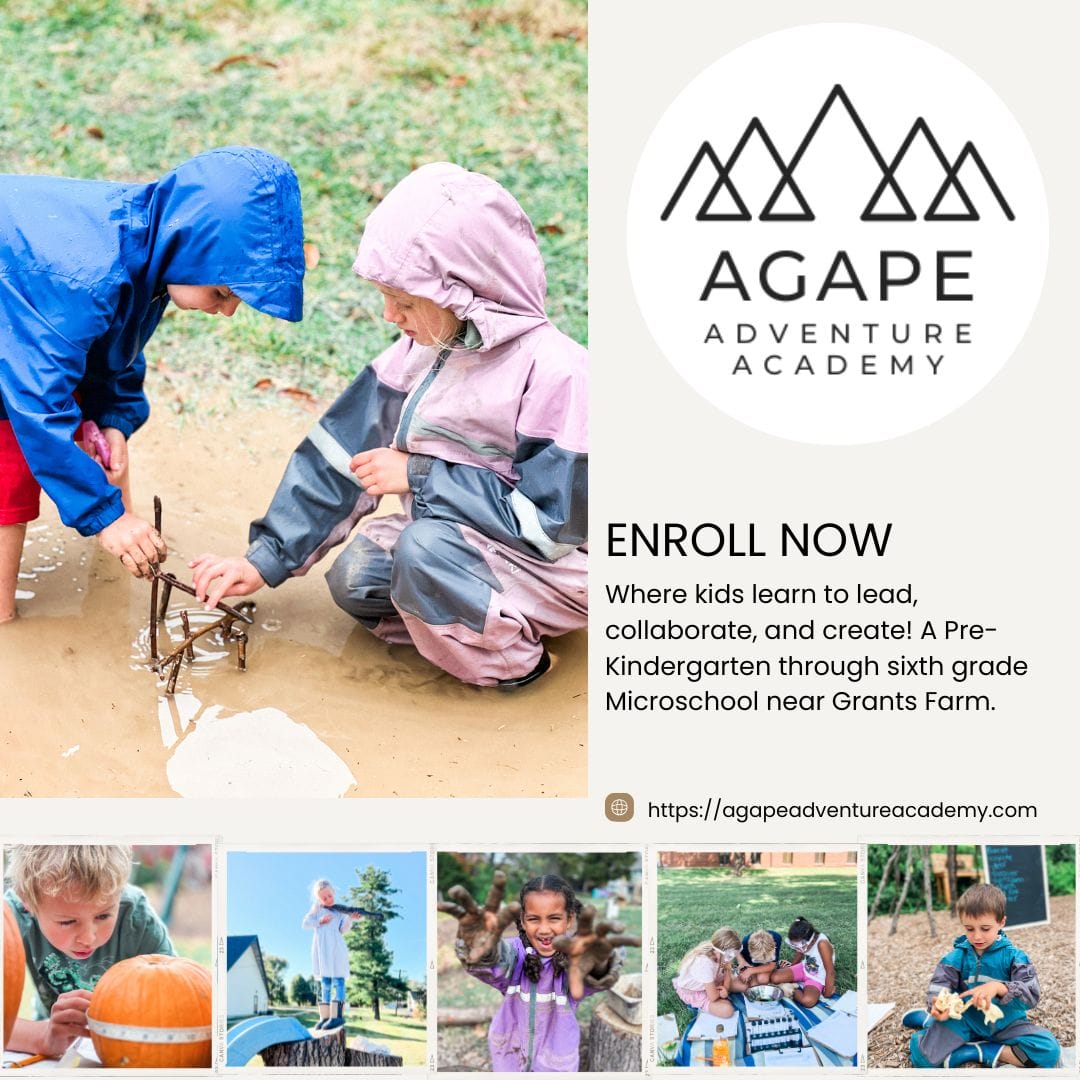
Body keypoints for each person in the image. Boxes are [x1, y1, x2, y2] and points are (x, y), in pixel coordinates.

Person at [190, 161, 587, 688]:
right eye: (385, 298)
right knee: (357, 578)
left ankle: (519, 670)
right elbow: (337, 459)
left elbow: (555, 527)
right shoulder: (417, 353)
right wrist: (263, 561)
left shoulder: (560, 375)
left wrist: (421, 476)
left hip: (557, 568)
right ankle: (476, 618)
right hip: (462, 544)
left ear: (466, 295)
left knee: (421, 553)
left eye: (404, 302)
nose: (388, 316)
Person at [0, 145, 305, 622]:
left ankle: (119, 552)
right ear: (190, 243)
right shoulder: (86, 275)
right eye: (223, 292)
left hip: (29, 324)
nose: (226, 310)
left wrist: (111, 417)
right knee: (9, 464)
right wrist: (107, 517)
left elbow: (114, 347)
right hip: (15, 336)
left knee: (95, 433)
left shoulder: (148, 247)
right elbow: (34, 401)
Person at [438, 871, 639, 1071]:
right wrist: (482, 947)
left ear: (569, 920)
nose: (544, 929)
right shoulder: (513, 954)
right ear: (523, 921)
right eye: (534, 919)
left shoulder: (575, 961)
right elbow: (495, 964)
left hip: (556, 1063)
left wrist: (599, 964)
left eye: (554, 918)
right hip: (510, 1056)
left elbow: (591, 977)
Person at [3, 844, 174, 1058]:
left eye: (103, 916)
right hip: (56, 1044)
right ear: (27, 901)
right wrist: (43, 1037)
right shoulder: (10, 919)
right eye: (68, 922)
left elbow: (177, 1000)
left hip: (130, 1047)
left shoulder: (136, 919)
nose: (88, 938)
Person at [903, 883, 1061, 1068]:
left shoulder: (1015, 957)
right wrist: (937, 1003)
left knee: (1049, 1051)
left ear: (1001, 922)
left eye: (985, 928)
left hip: (1007, 1023)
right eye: (969, 929)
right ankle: (930, 1021)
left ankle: (985, 1051)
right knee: (923, 1059)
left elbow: (1031, 995)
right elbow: (940, 984)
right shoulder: (955, 957)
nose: (977, 936)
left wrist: (999, 987)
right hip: (964, 1020)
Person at [301, 879, 357, 1031]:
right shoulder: (317, 909)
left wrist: (351, 918)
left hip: (336, 949)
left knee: (338, 980)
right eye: (324, 898)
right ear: (319, 899)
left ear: (334, 893)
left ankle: (336, 1017)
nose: (328, 900)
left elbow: (343, 929)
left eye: (329, 896)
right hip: (322, 950)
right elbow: (305, 923)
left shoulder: (340, 911)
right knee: (325, 983)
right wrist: (320, 920)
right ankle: (324, 1017)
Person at [672, 927, 740, 1018]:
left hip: (711, 983)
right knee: (727, 1010)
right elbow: (713, 997)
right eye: (731, 955)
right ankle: (707, 1003)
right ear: (719, 952)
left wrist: (725, 986)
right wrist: (722, 992)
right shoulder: (704, 963)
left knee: (742, 986)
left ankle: (721, 996)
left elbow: (727, 972)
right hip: (695, 992)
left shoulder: (721, 956)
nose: (731, 958)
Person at [770, 916, 834, 1006]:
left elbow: (830, 972)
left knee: (808, 1001)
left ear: (809, 941)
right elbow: (799, 952)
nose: (797, 948)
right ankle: (789, 986)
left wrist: (827, 993)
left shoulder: (822, 944)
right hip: (804, 968)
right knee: (774, 977)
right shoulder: (804, 942)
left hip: (817, 978)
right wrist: (791, 969)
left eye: (798, 946)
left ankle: (790, 989)